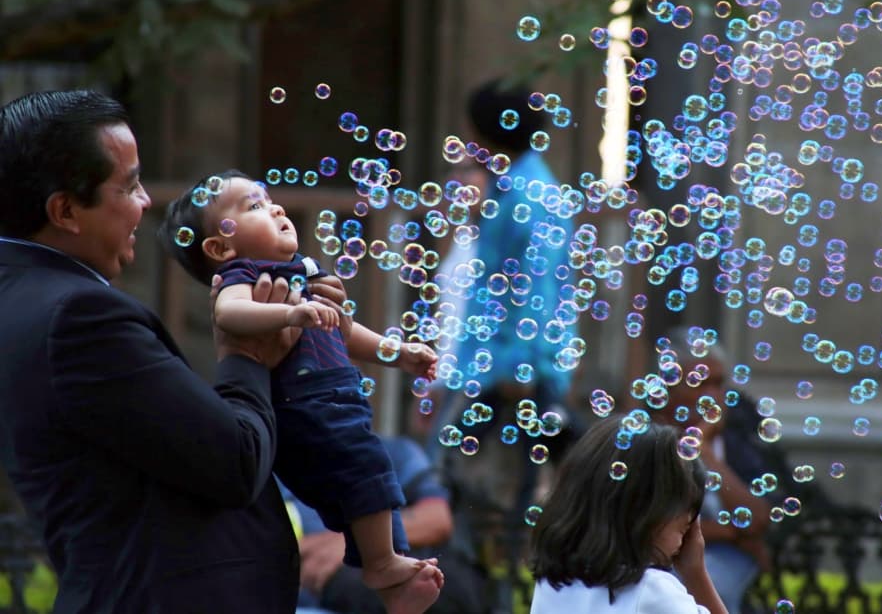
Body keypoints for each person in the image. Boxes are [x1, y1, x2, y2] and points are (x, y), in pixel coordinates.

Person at [0, 89, 342, 612]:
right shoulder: (78, 317)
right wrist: (246, 352)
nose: (145, 202)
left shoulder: (24, 294)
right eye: (130, 184)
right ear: (65, 210)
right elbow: (235, 462)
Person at [159, 171, 444, 614]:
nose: (274, 209)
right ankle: (383, 566)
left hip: (337, 404)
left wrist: (396, 352)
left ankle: (392, 579)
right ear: (221, 247)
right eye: (253, 206)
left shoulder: (307, 274)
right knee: (365, 471)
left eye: (270, 200)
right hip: (303, 407)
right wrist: (289, 316)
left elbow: (347, 332)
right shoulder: (242, 274)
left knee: (373, 485)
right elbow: (231, 314)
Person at [425, 78, 579, 517]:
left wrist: (523, 367)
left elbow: (537, 288)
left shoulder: (528, 196)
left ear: (486, 133)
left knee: (458, 480)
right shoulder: (514, 187)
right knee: (455, 480)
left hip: (510, 369)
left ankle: (466, 580)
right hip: (489, 360)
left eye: (471, 130)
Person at [649, 327, 811, 614]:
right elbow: (651, 527)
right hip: (660, 558)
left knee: (713, 583)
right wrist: (731, 532)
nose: (714, 396)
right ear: (668, 389)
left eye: (719, 384)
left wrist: (704, 451)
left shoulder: (738, 441)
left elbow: (757, 518)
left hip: (723, 557)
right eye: (702, 384)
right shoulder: (646, 443)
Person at [529, 415, 727, 614]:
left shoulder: (551, 583)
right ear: (645, 510)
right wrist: (696, 573)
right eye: (684, 525)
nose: (691, 525)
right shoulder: (654, 590)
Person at [287, 435, 489, 614]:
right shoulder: (270, 463)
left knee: (446, 582)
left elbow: (437, 519)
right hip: (312, 585)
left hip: (368, 569)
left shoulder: (393, 452)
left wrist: (353, 542)